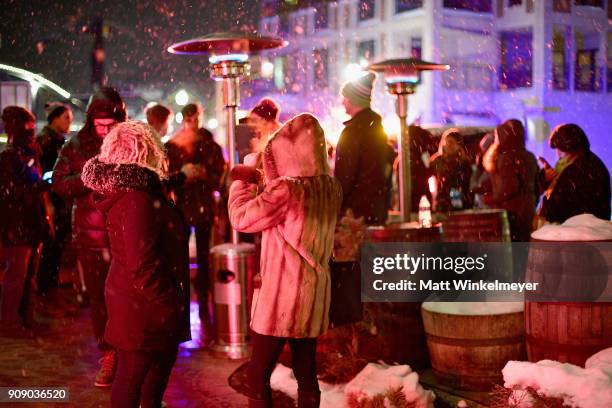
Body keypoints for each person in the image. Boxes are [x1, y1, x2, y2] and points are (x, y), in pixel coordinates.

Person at [229, 113, 342, 408]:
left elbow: (241, 218)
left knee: (257, 374)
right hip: (312, 295)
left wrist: (244, 181)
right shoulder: (330, 188)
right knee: (306, 374)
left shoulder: (288, 190)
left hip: (282, 299)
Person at [82, 120, 190, 408]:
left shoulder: (139, 193)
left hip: (141, 308)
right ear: (145, 152)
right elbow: (142, 264)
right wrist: (170, 304)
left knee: (145, 389)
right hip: (144, 313)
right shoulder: (136, 200)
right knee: (133, 384)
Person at [53, 87, 127, 387]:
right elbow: (58, 183)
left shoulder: (129, 141)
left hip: (127, 235)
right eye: (100, 125)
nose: (105, 131)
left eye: (111, 125)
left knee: (129, 300)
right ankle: (108, 354)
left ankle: (130, 356)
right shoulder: (75, 145)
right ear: (90, 121)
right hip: (92, 239)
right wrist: (89, 177)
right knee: (100, 301)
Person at [165, 102, 226, 345]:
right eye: (190, 118)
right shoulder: (173, 146)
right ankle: (183, 305)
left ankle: (202, 306)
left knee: (203, 258)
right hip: (182, 208)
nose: (193, 123)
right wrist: (183, 174)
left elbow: (217, 180)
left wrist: (204, 175)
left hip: (201, 209)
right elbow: (167, 179)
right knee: (179, 260)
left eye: (196, 118)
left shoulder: (211, 147)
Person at [0, 106, 47, 337]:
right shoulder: (9, 156)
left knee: (27, 276)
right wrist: (36, 187)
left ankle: (24, 318)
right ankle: (9, 321)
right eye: (27, 128)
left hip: (28, 223)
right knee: (16, 277)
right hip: (17, 225)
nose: (31, 132)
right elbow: (10, 193)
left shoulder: (28, 152)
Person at [335, 72, 395, 225]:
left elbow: (345, 176)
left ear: (353, 100)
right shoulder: (378, 130)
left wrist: (338, 205)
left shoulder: (352, 132)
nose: (342, 102)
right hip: (376, 211)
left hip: (355, 215)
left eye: (345, 97)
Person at [36, 103, 74, 301]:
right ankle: (45, 295)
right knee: (50, 250)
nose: (70, 122)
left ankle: (50, 293)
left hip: (60, 202)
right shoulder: (46, 141)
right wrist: (50, 197)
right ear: (55, 118)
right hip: (52, 203)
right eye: (66, 117)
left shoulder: (58, 141)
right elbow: (45, 174)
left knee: (56, 249)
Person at [537, 123, 611, 224]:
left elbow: (555, 209)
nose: (557, 155)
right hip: (594, 230)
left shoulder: (574, 171)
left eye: (559, 149)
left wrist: (547, 182)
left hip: (576, 232)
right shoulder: (592, 164)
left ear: (567, 148)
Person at [483, 119, 539, 241]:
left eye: (497, 136)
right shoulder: (529, 156)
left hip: (512, 211)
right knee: (524, 244)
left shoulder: (506, 157)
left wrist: (490, 199)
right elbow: (537, 184)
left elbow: (509, 187)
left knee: (512, 247)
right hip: (528, 208)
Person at [429, 128, 473, 212]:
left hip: (460, 200)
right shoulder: (438, 161)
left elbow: (465, 183)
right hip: (442, 201)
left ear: (459, 145)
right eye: (446, 142)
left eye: (452, 142)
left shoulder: (463, 162)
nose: (448, 145)